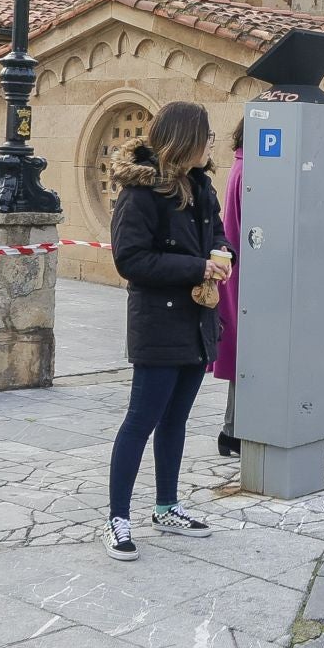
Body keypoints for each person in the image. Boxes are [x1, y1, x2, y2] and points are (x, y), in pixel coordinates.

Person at [104, 101, 231, 560]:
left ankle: (166, 506)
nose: (211, 144)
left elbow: (218, 233)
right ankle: (119, 519)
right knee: (141, 420)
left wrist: (221, 254)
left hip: (197, 321)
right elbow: (130, 259)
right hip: (158, 321)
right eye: (206, 136)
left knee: (175, 421)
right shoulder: (140, 193)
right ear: (185, 140)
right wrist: (197, 265)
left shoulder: (202, 187)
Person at [214, 122, 244, 457]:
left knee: (244, 355)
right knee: (245, 356)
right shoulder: (249, 169)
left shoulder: (241, 164)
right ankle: (232, 431)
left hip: (237, 271)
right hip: (243, 274)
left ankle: (233, 431)